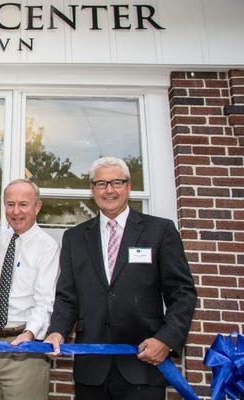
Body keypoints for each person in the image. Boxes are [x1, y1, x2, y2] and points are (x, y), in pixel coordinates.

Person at [45, 156, 197, 400]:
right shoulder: (74, 238)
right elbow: (67, 296)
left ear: (129, 186)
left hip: (144, 364)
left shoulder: (160, 231)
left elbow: (183, 293)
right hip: (91, 370)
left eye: (116, 182)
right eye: (101, 184)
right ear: (92, 190)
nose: (109, 190)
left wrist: (166, 340)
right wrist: (57, 331)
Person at [0, 179, 60, 400]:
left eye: (23, 204)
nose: (15, 211)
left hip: (24, 348)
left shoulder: (47, 247)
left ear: (37, 207)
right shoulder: (4, 238)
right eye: (10, 204)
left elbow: (45, 301)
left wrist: (30, 334)